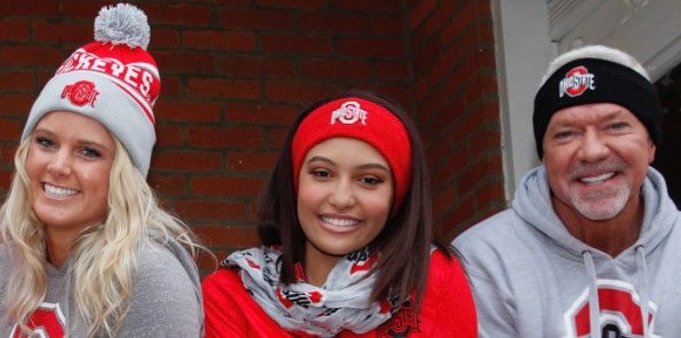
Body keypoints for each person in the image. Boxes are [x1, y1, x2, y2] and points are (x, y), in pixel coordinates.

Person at [453, 45, 681, 337]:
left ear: (651, 145)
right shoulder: (482, 262)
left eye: (615, 127)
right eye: (566, 134)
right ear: (544, 157)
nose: (592, 151)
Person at [0, 3, 204, 338]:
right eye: (46, 142)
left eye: (88, 152)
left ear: (124, 175)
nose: (59, 166)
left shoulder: (152, 279)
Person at [202, 91, 478, 337]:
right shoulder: (230, 295)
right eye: (322, 174)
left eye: (369, 180)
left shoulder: (432, 278)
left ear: (398, 196)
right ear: (294, 183)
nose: (341, 198)